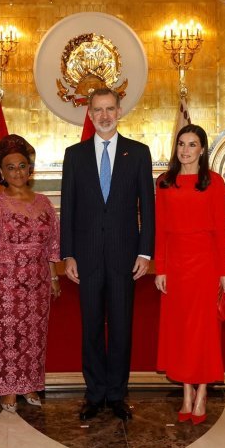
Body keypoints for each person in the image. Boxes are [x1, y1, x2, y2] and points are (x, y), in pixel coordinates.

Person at [61, 87, 155, 421]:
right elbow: (68, 208)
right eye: (98, 110)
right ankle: (94, 394)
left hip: (124, 257)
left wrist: (145, 253)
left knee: (120, 328)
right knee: (90, 328)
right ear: (89, 114)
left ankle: (116, 394)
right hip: (85, 258)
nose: (104, 116)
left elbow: (148, 207)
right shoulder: (75, 155)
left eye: (110, 109)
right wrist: (68, 254)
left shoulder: (138, 153)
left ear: (119, 111)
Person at [0, 135, 60, 413]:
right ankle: (7, 389)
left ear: (29, 168)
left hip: (38, 283)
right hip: (5, 283)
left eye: (22, 166)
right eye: (11, 167)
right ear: (0, 171)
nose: (18, 172)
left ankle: (29, 385)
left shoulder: (44, 203)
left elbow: (51, 244)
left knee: (34, 336)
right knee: (6, 336)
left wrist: (53, 277)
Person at [155, 124, 225, 425]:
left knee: (203, 332)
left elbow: (221, 230)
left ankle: (202, 393)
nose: (185, 150)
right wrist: (160, 268)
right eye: (181, 144)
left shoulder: (214, 182)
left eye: (192, 144)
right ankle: (186, 392)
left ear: (202, 149)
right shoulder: (164, 182)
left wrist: (224, 271)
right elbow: (160, 229)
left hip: (205, 265)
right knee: (181, 332)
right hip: (175, 265)